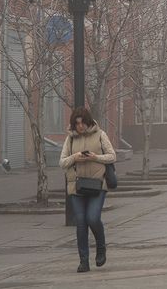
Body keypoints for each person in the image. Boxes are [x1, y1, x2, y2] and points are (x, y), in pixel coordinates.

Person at [59, 106, 116, 273]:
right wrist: (74, 157)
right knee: (81, 222)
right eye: (77, 123)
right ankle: (83, 261)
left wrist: (95, 157)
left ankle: (101, 247)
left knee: (92, 218)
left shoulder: (100, 135)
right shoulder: (70, 139)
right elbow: (62, 162)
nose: (80, 126)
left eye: (82, 123)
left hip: (97, 185)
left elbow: (112, 156)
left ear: (88, 121)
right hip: (77, 186)